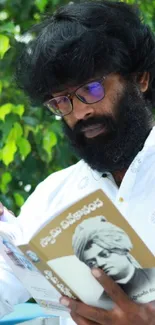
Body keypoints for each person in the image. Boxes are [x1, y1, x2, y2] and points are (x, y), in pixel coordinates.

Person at [1, 1, 155, 323]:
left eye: (91, 88)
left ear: (140, 79)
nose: (78, 112)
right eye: (61, 100)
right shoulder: (51, 196)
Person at [72, 216, 155, 306]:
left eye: (105, 254)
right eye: (92, 263)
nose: (100, 263)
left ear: (121, 248)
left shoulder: (152, 274)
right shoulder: (103, 302)